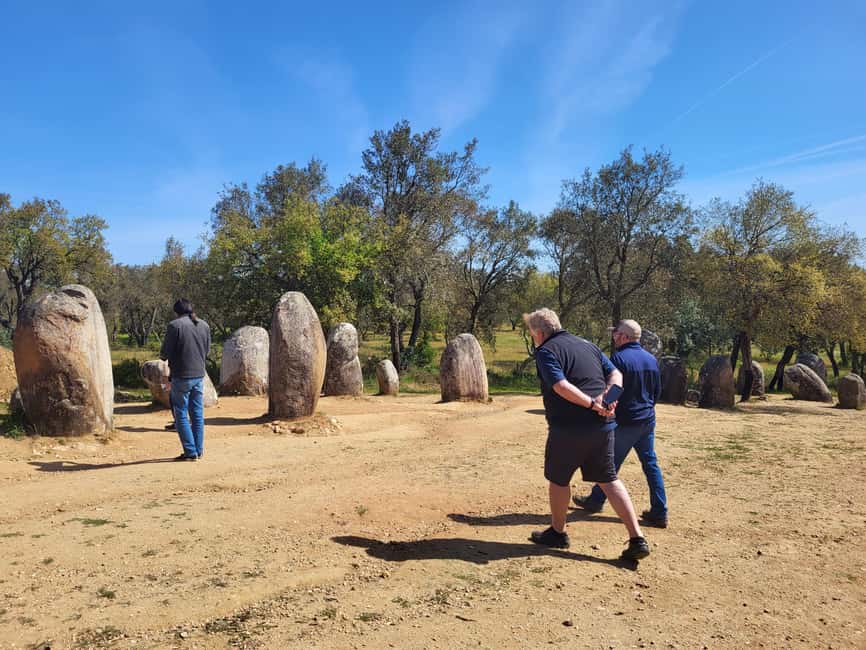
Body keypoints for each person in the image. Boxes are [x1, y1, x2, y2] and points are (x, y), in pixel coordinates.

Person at [524, 308, 650, 561]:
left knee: (559, 480)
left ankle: (558, 533)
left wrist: (594, 404)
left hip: (568, 428)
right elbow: (616, 374)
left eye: (532, 334)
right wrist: (609, 400)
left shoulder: (546, 351)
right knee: (609, 479)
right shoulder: (588, 345)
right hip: (602, 427)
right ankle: (637, 538)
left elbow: (560, 386)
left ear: (539, 333)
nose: (533, 338)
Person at [573, 319, 668, 527]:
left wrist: (601, 409)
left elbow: (613, 392)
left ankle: (596, 501)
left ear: (625, 336)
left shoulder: (619, 358)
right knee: (650, 464)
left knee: (607, 465)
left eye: (616, 334)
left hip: (626, 422)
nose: (614, 337)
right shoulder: (651, 359)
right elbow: (657, 392)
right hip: (647, 420)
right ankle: (660, 511)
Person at [160, 298, 211, 461]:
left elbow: (164, 354)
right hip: (199, 374)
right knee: (197, 413)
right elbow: (207, 350)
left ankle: (190, 452)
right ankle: (199, 449)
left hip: (181, 375)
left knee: (180, 413)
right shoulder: (204, 325)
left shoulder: (175, 326)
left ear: (177, 311)